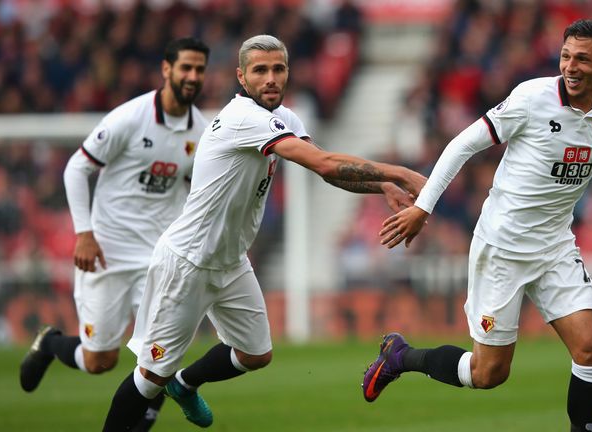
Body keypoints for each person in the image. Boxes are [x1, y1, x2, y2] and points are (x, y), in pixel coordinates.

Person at [362, 19, 592, 432]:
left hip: (555, 247)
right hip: (502, 248)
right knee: (489, 374)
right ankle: (401, 356)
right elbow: (463, 144)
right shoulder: (532, 97)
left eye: (583, 59)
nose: (571, 67)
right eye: (565, 56)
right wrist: (425, 209)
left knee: (591, 350)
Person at [101, 34, 426, 431]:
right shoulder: (242, 118)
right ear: (242, 77)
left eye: (278, 69)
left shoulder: (283, 119)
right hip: (187, 262)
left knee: (255, 354)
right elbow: (325, 164)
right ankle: (161, 388)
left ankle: (185, 384)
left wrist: (382, 187)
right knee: (149, 377)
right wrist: (401, 172)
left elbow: (325, 169)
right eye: (260, 71)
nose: (271, 78)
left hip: (230, 262)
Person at [19, 37, 211, 431]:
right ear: (166, 69)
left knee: (160, 349)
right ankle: (50, 343)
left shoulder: (204, 132)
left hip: (160, 255)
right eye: (185, 68)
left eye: (199, 69)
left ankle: (147, 415)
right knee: (99, 361)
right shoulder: (129, 118)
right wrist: (84, 233)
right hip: (107, 252)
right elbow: (76, 169)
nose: (192, 76)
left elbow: (197, 190)